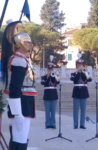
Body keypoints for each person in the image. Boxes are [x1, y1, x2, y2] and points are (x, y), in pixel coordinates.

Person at [1, 20, 37, 150]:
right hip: (21, 102)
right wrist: (17, 113)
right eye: (28, 41)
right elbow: (14, 88)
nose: (31, 44)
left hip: (25, 101)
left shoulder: (22, 59)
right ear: (20, 44)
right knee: (20, 139)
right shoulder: (18, 61)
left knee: (20, 138)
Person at [70, 53, 92, 129]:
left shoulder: (86, 73)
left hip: (84, 92)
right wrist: (77, 71)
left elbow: (90, 79)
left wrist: (84, 72)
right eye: (79, 65)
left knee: (83, 110)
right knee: (75, 109)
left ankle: (82, 124)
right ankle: (75, 124)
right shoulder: (73, 73)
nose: (80, 67)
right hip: (76, 92)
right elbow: (72, 79)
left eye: (81, 65)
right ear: (76, 66)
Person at [41, 56, 60, 129]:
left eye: (51, 69)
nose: (50, 70)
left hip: (54, 95)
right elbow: (43, 83)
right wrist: (48, 76)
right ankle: (47, 124)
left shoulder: (56, 76)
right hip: (47, 95)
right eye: (49, 69)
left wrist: (54, 76)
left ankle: (53, 124)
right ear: (47, 69)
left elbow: (58, 82)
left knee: (53, 111)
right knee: (47, 111)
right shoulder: (44, 77)